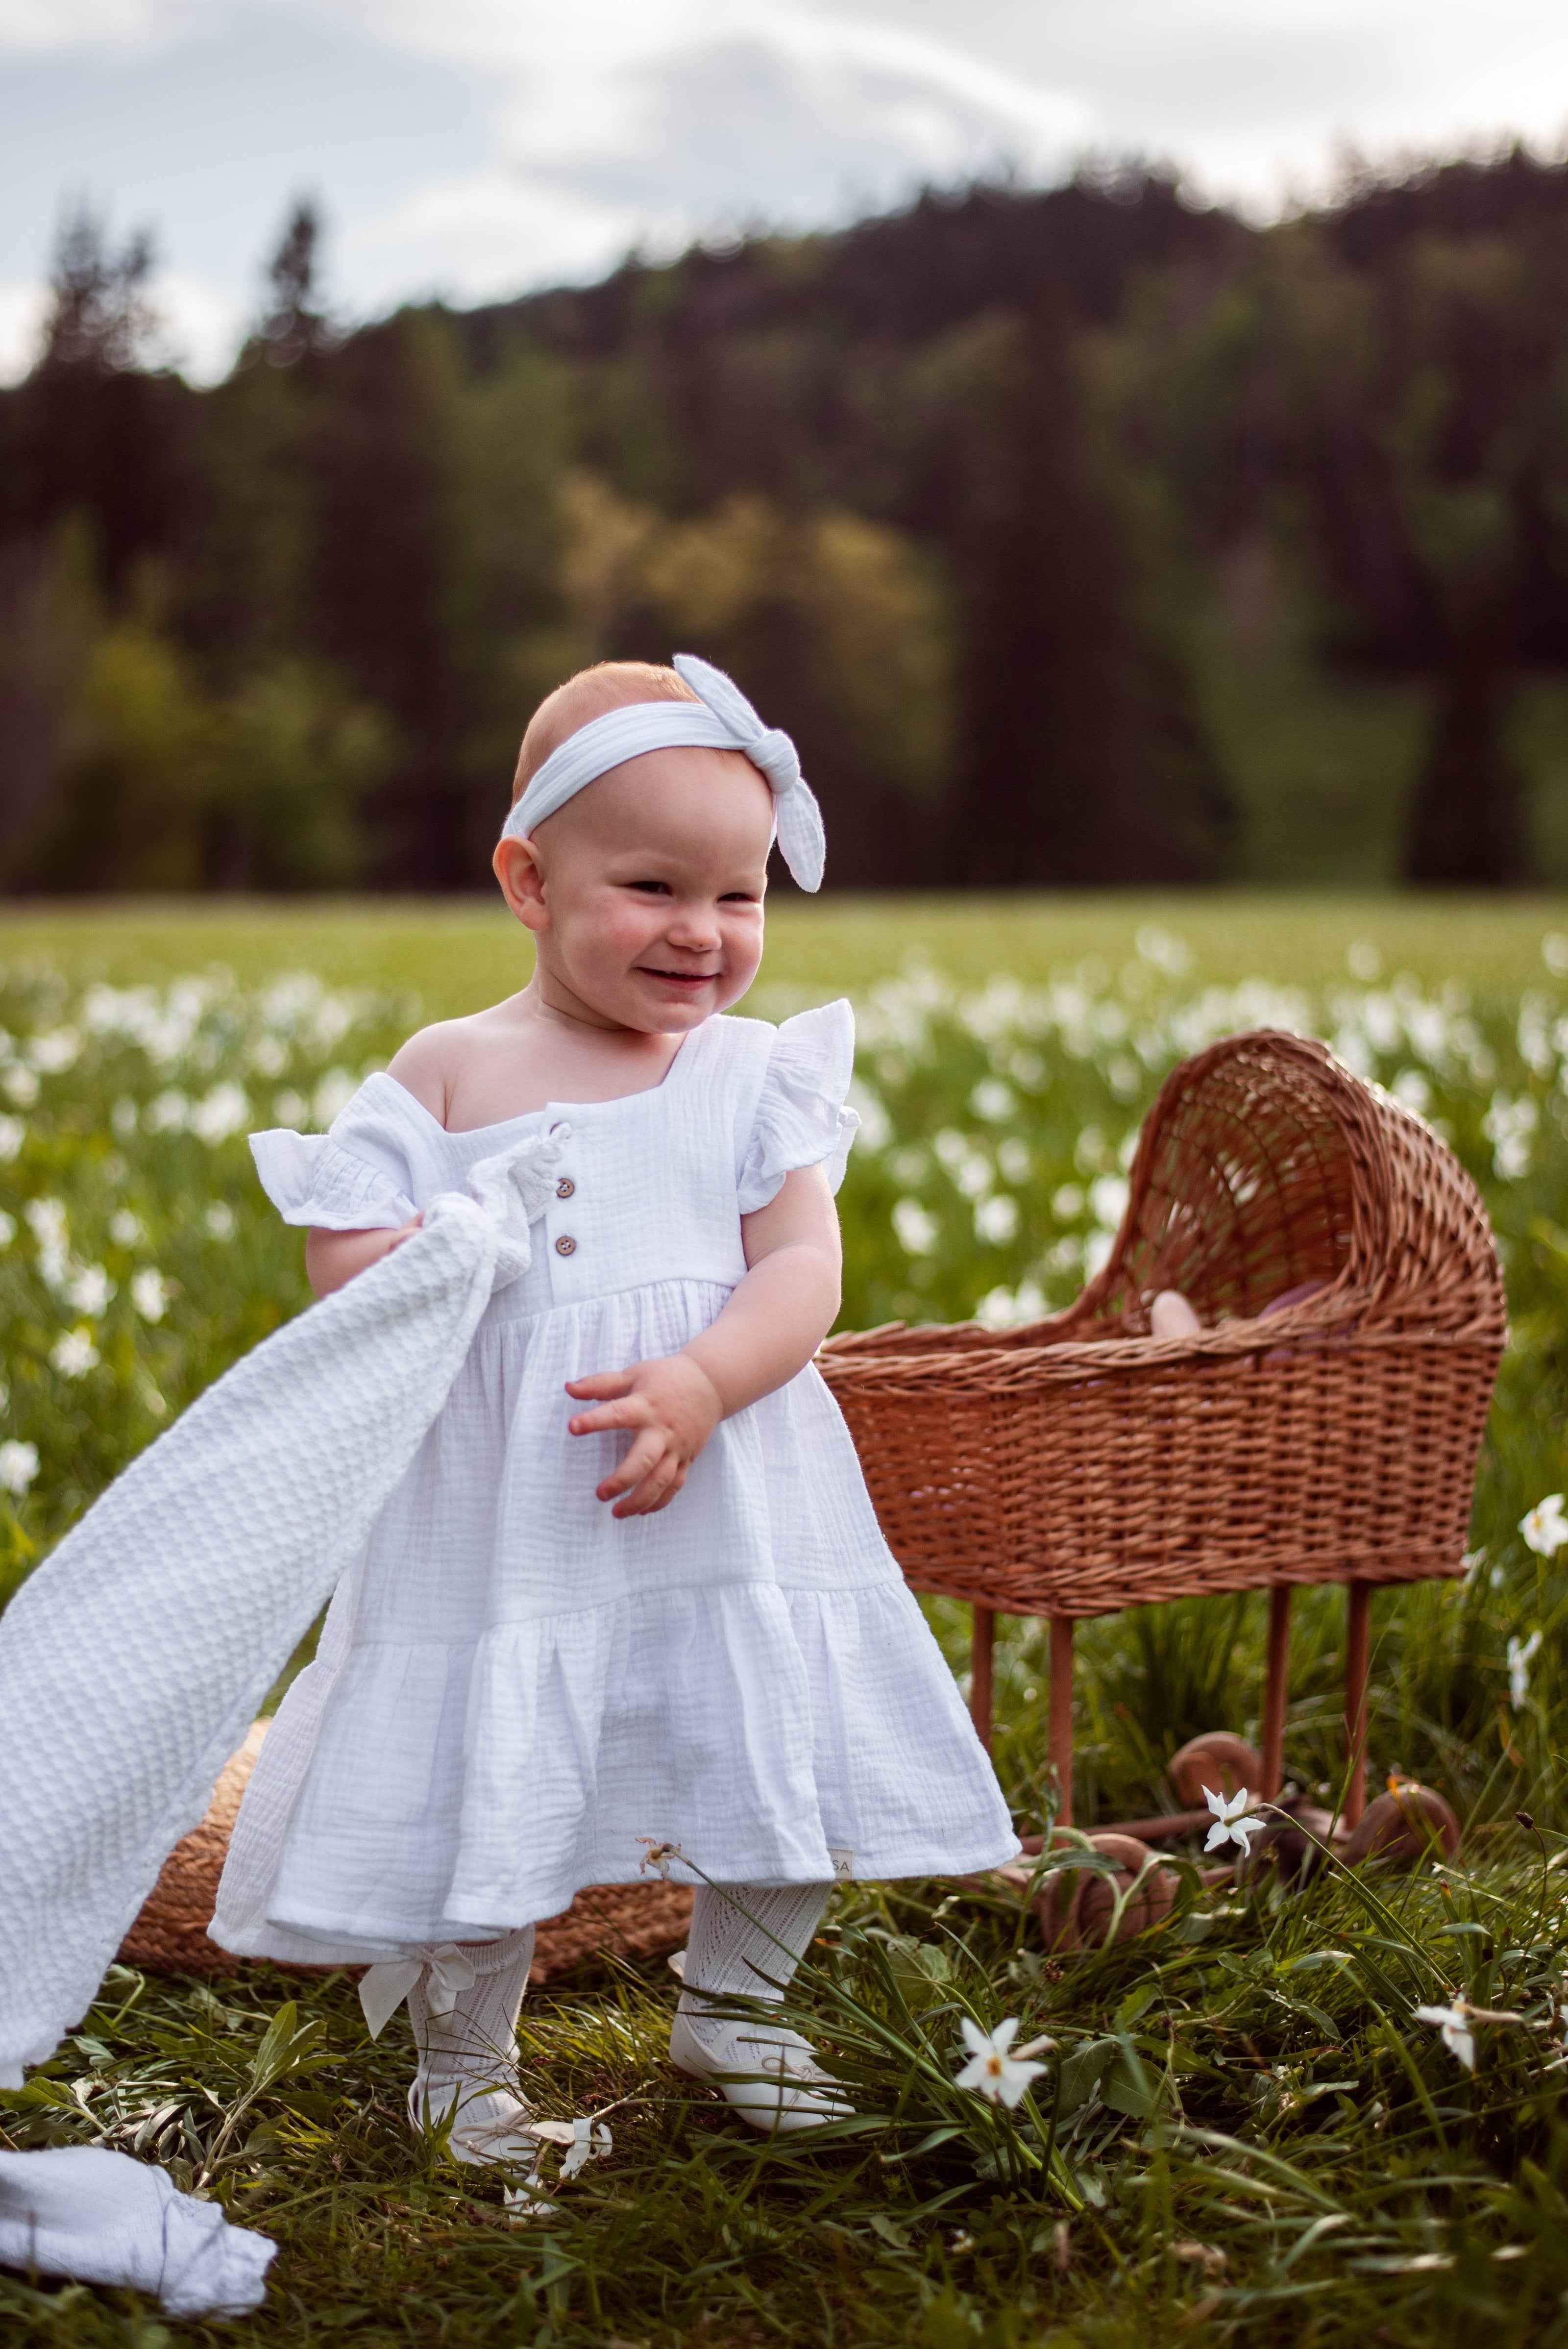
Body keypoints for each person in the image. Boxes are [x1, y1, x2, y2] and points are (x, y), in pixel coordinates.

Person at [210, 654, 1018, 2157]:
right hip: (508, 1512)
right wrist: (424, 1257)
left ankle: (739, 2009)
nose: (704, 934)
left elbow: (804, 1274)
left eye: (743, 895)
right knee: (490, 1777)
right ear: (528, 878)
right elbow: (348, 1247)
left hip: (722, 1490)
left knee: (773, 1744)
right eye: (654, 886)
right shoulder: (450, 1069)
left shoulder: (751, 1080)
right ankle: (465, 2060)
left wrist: (708, 1376)